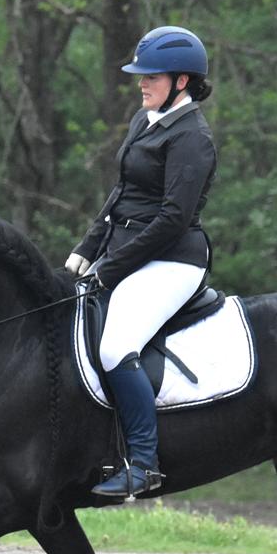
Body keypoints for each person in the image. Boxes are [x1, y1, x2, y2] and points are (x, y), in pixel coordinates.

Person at [65, 26, 217, 498]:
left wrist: (109, 269)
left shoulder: (193, 137)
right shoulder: (144, 120)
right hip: (128, 252)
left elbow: (173, 219)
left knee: (115, 348)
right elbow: (121, 193)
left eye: (151, 76)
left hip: (173, 261)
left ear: (182, 82)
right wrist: (86, 249)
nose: (141, 84)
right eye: (140, 76)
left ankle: (144, 464)